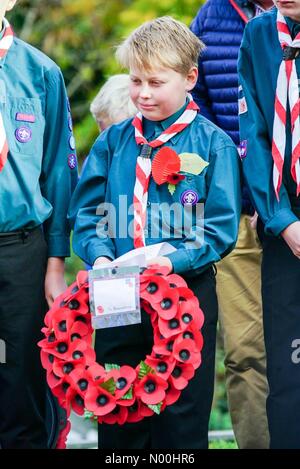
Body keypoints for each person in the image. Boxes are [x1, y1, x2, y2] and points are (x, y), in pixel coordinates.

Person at [69, 16, 241, 449]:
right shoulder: (113, 144)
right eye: (136, 81)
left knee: (181, 413)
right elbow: (88, 213)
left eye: (156, 82)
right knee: (119, 405)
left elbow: (219, 228)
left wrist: (172, 261)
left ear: (189, 78)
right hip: (119, 292)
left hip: (184, 290)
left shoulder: (213, 144)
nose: (143, 94)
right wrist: (102, 256)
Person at [190, 0, 273, 449]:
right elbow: (195, 106)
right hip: (237, 217)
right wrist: (237, 185)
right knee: (245, 354)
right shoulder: (210, 15)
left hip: (291, 212)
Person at [0, 0, 77, 449]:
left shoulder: (41, 72)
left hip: (21, 249)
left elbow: (59, 172)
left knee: (22, 381)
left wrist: (55, 260)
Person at [238, 0, 300, 449]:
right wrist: (281, 217)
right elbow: (253, 132)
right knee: (287, 364)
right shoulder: (260, 35)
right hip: (285, 219)